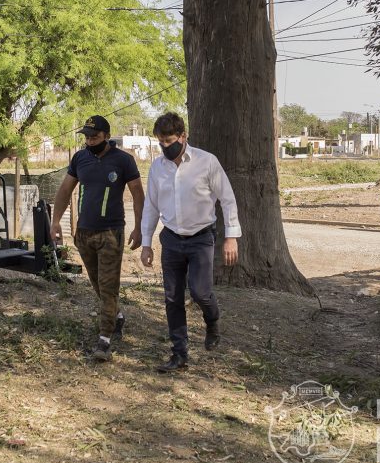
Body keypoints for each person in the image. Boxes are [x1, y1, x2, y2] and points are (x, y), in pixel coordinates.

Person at [140, 112, 241, 372]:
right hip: (171, 238)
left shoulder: (206, 162)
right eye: (160, 142)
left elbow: (227, 199)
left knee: (200, 292)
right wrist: (146, 242)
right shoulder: (157, 167)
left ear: (183, 136)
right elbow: (150, 206)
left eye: (169, 140)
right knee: (172, 297)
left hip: (201, 239)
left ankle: (212, 321)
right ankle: (179, 353)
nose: (164, 146)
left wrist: (231, 237)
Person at [52, 115, 143, 362]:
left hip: (111, 233)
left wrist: (140, 228)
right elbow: (65, 190)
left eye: (94, 136)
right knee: (97, 284)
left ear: (106, 135)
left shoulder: (124, 161)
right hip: (84, 233)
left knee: (108, 285)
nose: (90, 141)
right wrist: (55, 221)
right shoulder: (80, 158)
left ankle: (104, 339)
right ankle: (118, 316)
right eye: (87, 137)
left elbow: (137, 194)